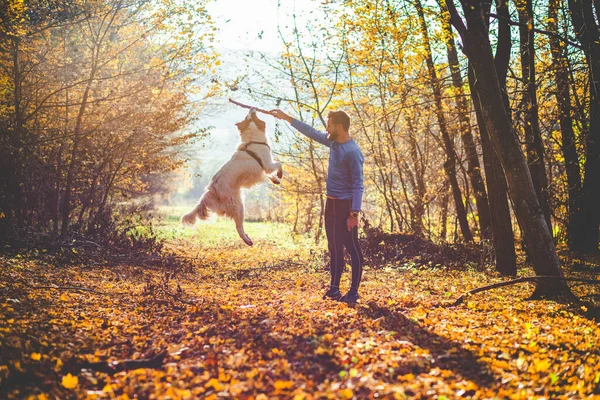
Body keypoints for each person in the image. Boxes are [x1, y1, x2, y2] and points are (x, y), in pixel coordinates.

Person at [270, 109, 365, 303]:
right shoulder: (332, 142)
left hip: (347, 206)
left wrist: (354, 213)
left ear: (339, 127)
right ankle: (334, 289)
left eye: (329, 125)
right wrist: (285, 117)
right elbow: (311, 132)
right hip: (331, 203)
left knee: (352, 248)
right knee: (334, 247)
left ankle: (353, 291)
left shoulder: (353, 152)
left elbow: (358, 184)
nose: (326, 128)